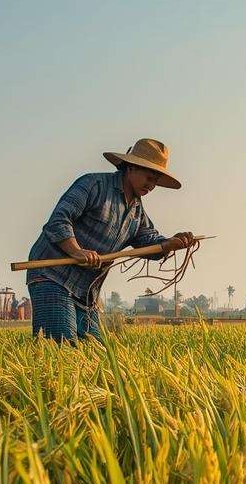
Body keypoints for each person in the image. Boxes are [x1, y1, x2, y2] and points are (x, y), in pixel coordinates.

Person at [23, 138, 196, 343]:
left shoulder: (136, 212)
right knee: (62, 348)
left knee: (96, 352)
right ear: (131, 167)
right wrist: (77, 251)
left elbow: (149, 240)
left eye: (155, 182)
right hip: (53, 277)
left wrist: (170, 243)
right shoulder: (93, 185)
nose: (151, 186)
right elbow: (58, 221)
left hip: (85, 292)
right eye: (148, 178)